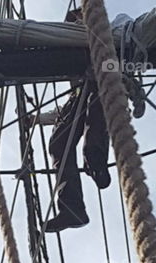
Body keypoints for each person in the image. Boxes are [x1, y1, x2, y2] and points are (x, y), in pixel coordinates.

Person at [44, 79, 111, 233]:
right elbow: (57, 113)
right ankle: (72, 209)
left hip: (102, 82)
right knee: (59, 143)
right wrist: (36, 119)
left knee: (95, 111)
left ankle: (96, 162)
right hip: (79, 92)